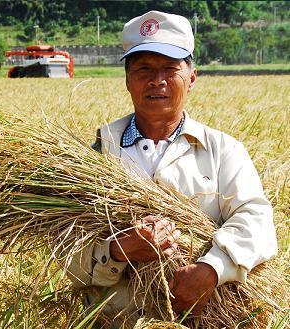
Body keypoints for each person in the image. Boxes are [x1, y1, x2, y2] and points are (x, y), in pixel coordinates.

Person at [64, 10, 277, 326]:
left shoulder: (223, 151)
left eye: (169, 68)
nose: (156, 81)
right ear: (126, 79)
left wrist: (210, 269)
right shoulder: (96, 154)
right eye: (144, 69)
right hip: (113, 320)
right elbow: (65, 248)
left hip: (203, 320)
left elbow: (257, 221)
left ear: (191, 78)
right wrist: (119, 251)